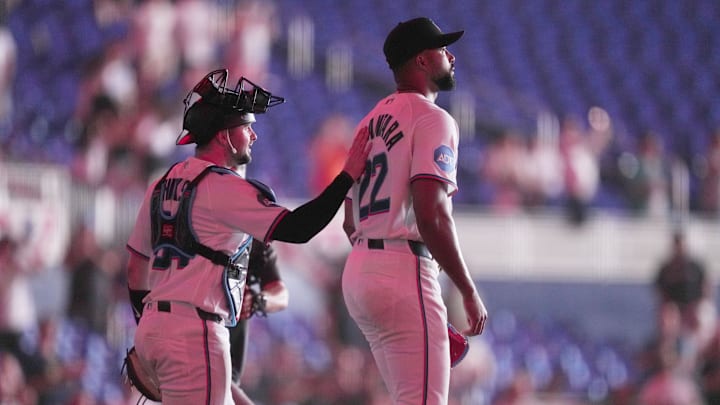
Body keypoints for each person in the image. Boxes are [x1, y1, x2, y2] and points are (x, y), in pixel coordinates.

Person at [125, 68, 369, 404]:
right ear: (224, 134)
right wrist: (348, 176)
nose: (253, 135)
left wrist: (152, 325)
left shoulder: (160, 184)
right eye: (247, 127)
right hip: (195, 331)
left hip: (155, 325)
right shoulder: (223, 187)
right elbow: (299, 229)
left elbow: (136, 270)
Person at [341, 17, 488, 404]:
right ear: (422, 61)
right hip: (402, 269)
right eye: (442, 49)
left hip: (360, 269)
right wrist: (467, 289)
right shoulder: (433, 119)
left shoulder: (369, 122)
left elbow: (348, 216)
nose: (450, 56)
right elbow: (432, 213)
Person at [229, 239, 288, 405]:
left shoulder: (253, 241)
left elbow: (281, 295)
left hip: (229, 345)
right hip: (193, 337)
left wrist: (257, 301)